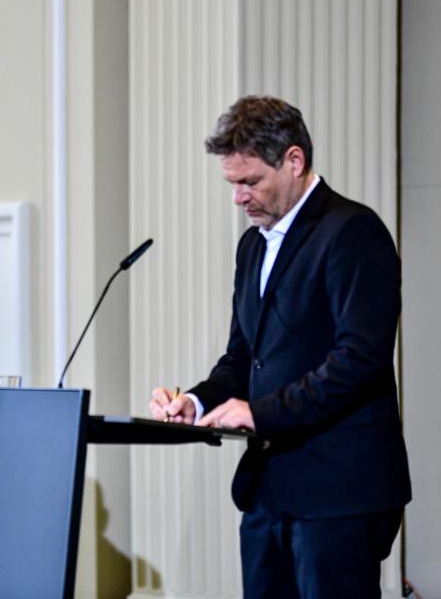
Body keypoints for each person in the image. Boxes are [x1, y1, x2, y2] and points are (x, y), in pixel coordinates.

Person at [149, 96, 411, 598]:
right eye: (232, 184)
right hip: (269, 493)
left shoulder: (352, 231)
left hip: (338, 493)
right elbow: (243, 357)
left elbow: (360, 360)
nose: (239, 198)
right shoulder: (252, 246)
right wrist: (197, 402)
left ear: (294, 161)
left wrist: (259, 413)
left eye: (250, 182)